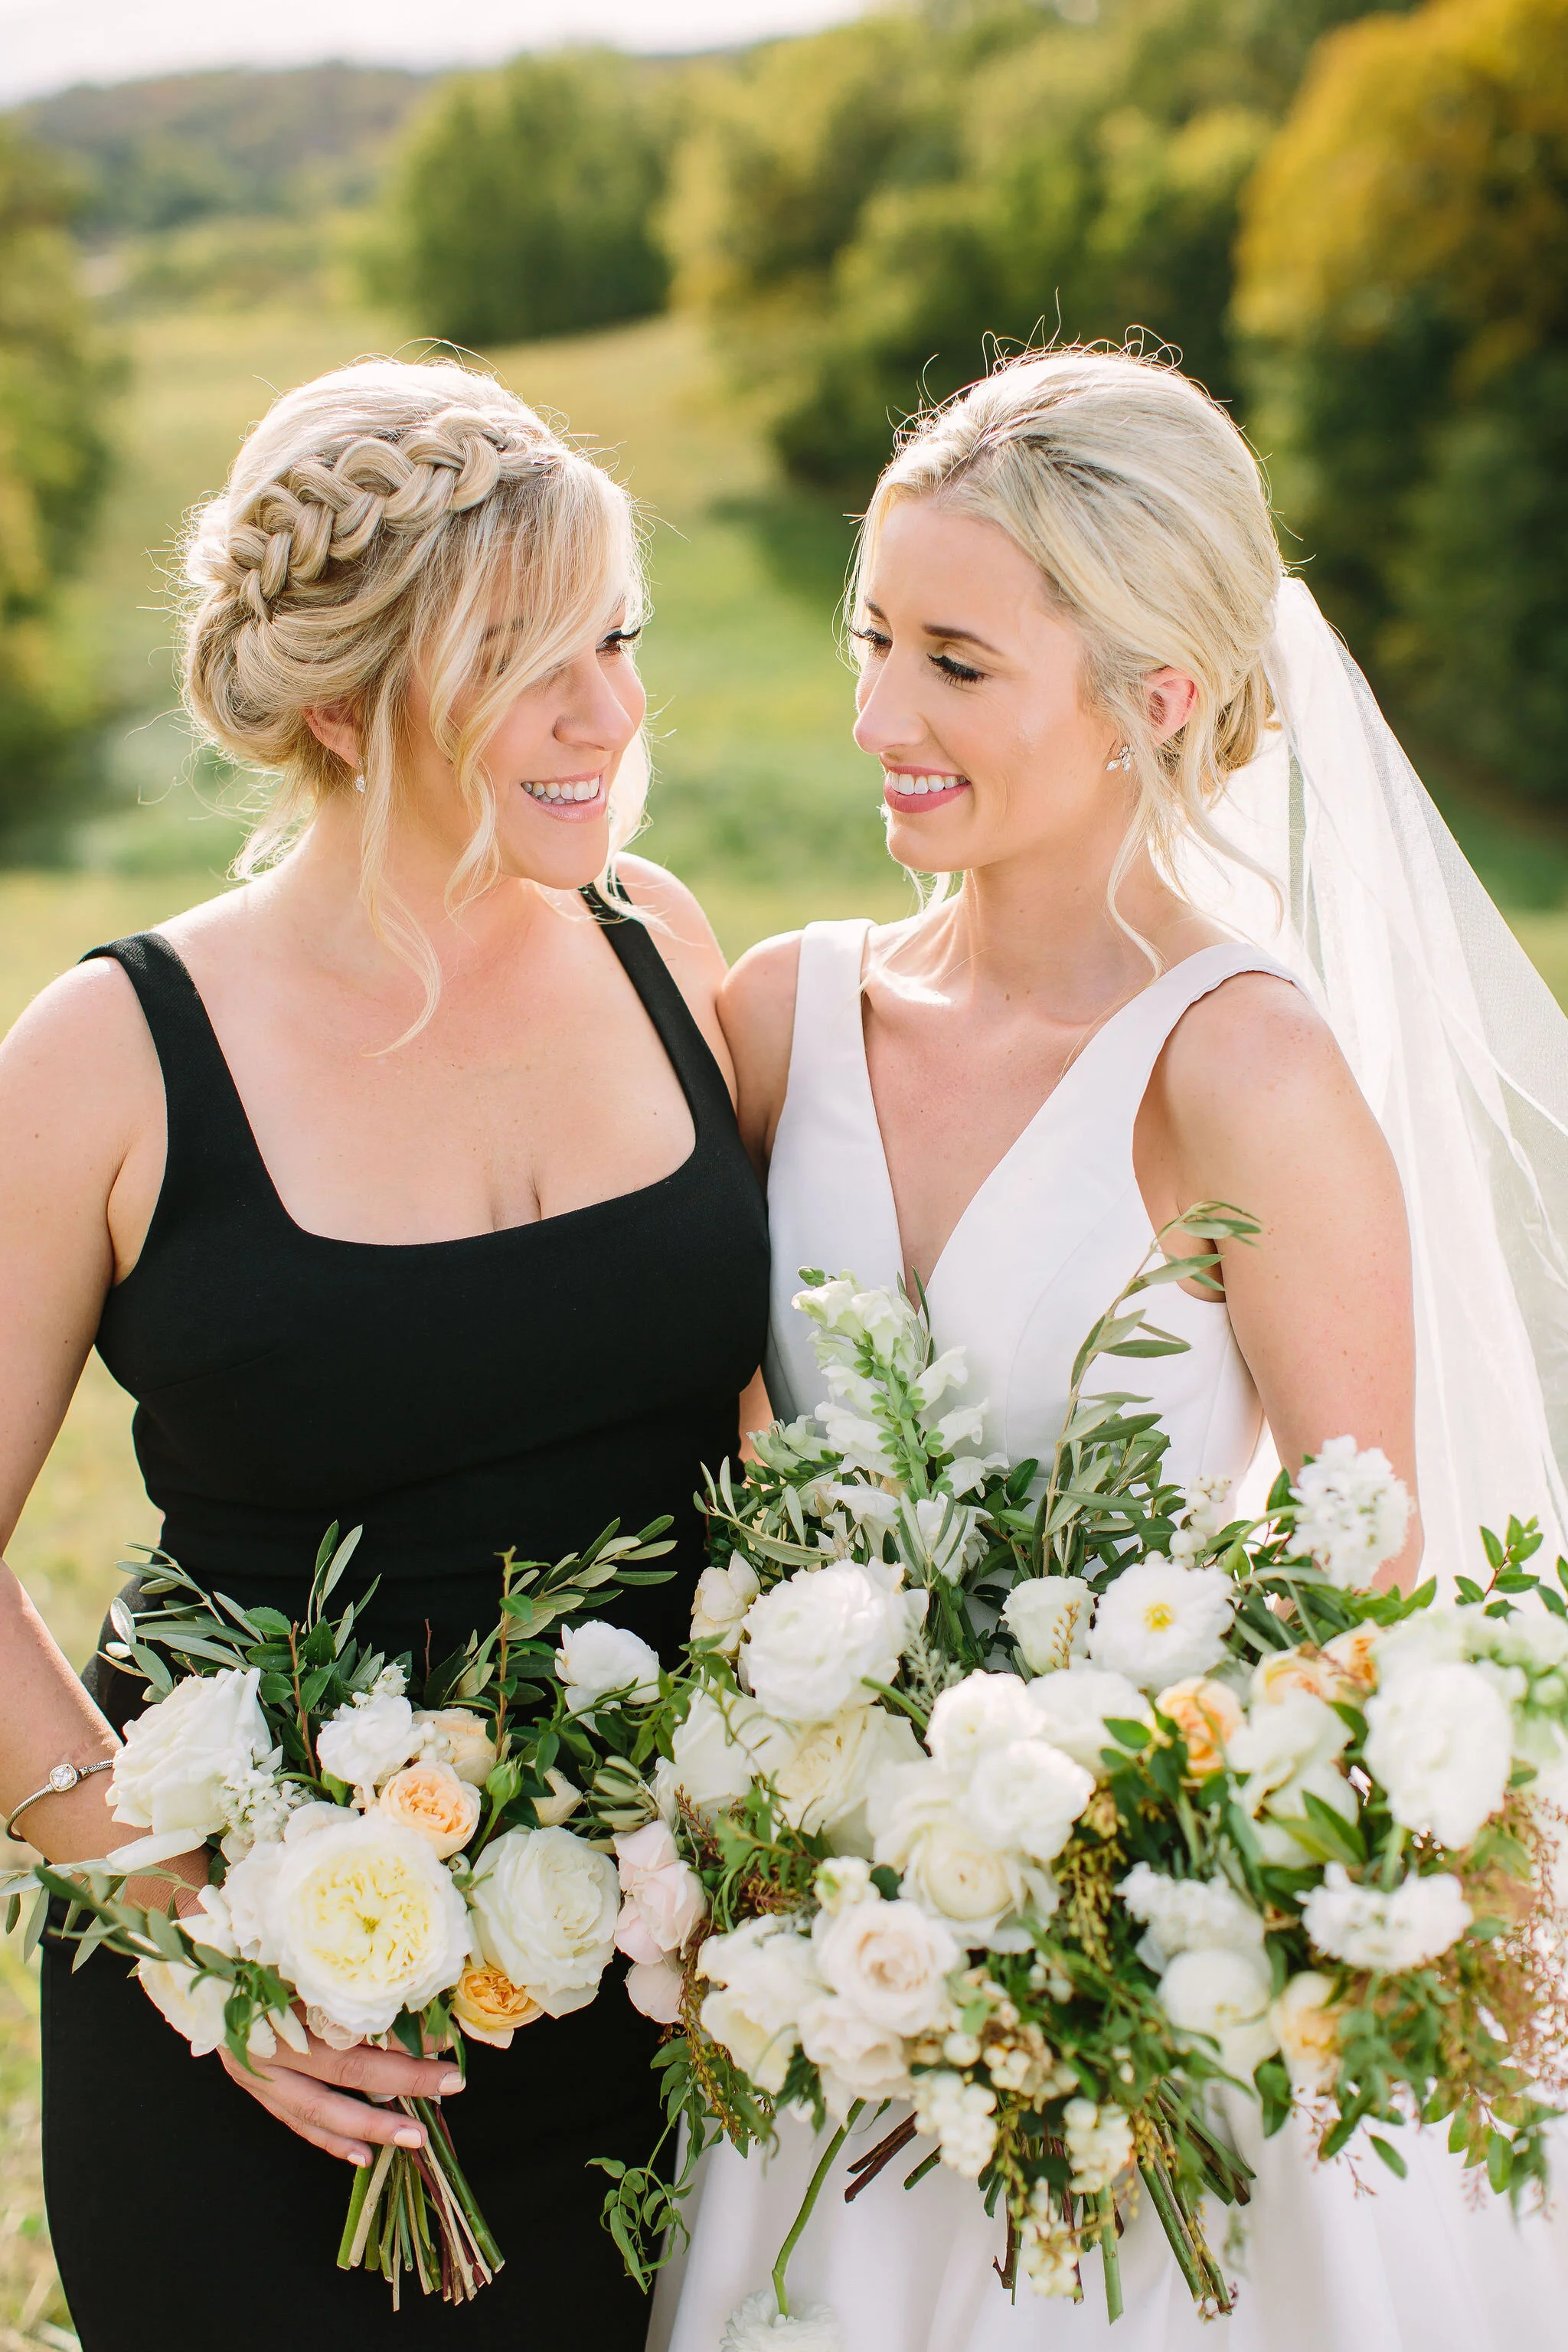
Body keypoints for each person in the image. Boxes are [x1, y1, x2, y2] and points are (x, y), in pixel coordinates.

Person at [650, 348, 1568, 2350]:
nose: (877, 715)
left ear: (1156, 695)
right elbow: (693, 1438)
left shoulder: (1243, 1070)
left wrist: (1085, 1865)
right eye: (873, 637)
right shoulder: (781, 1018)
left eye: (956, 663)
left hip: (1119, 1979)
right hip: (820, 1959)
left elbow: (1363, 1575)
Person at [0, 356, 769, 2350]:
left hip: (659, 2000)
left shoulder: (659, 946)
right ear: (343, 706)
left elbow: (767, 1433)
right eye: (525, 661)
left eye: (616, 638)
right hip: (267, 2036)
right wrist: (200, 1944)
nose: (608, 713)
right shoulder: (109, 1056)